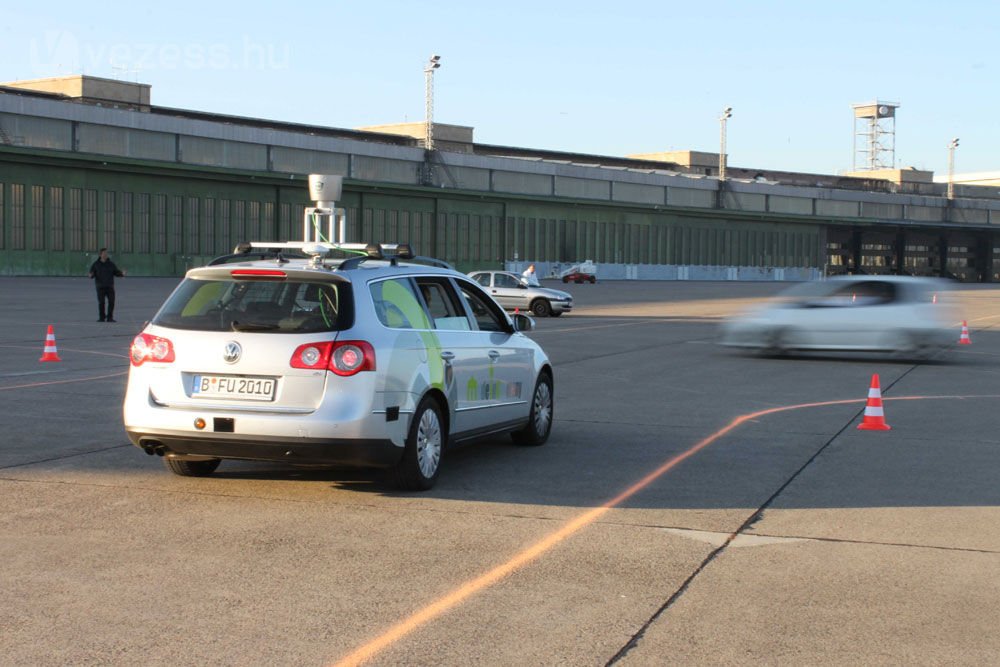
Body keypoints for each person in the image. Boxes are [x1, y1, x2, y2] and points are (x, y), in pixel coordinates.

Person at [88, 248, 125, 322]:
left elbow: (116, 272)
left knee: (111, 302)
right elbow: (92, 274)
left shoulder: (111, 264)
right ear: (100, 255)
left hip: (110, 286)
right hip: (100, 286)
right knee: (101, 302)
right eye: (104, 253)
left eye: (106, 254)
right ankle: (102, 317)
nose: (105, 255)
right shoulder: (96, 264)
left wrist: (122, 274)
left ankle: (109, 317)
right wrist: (90, 275)